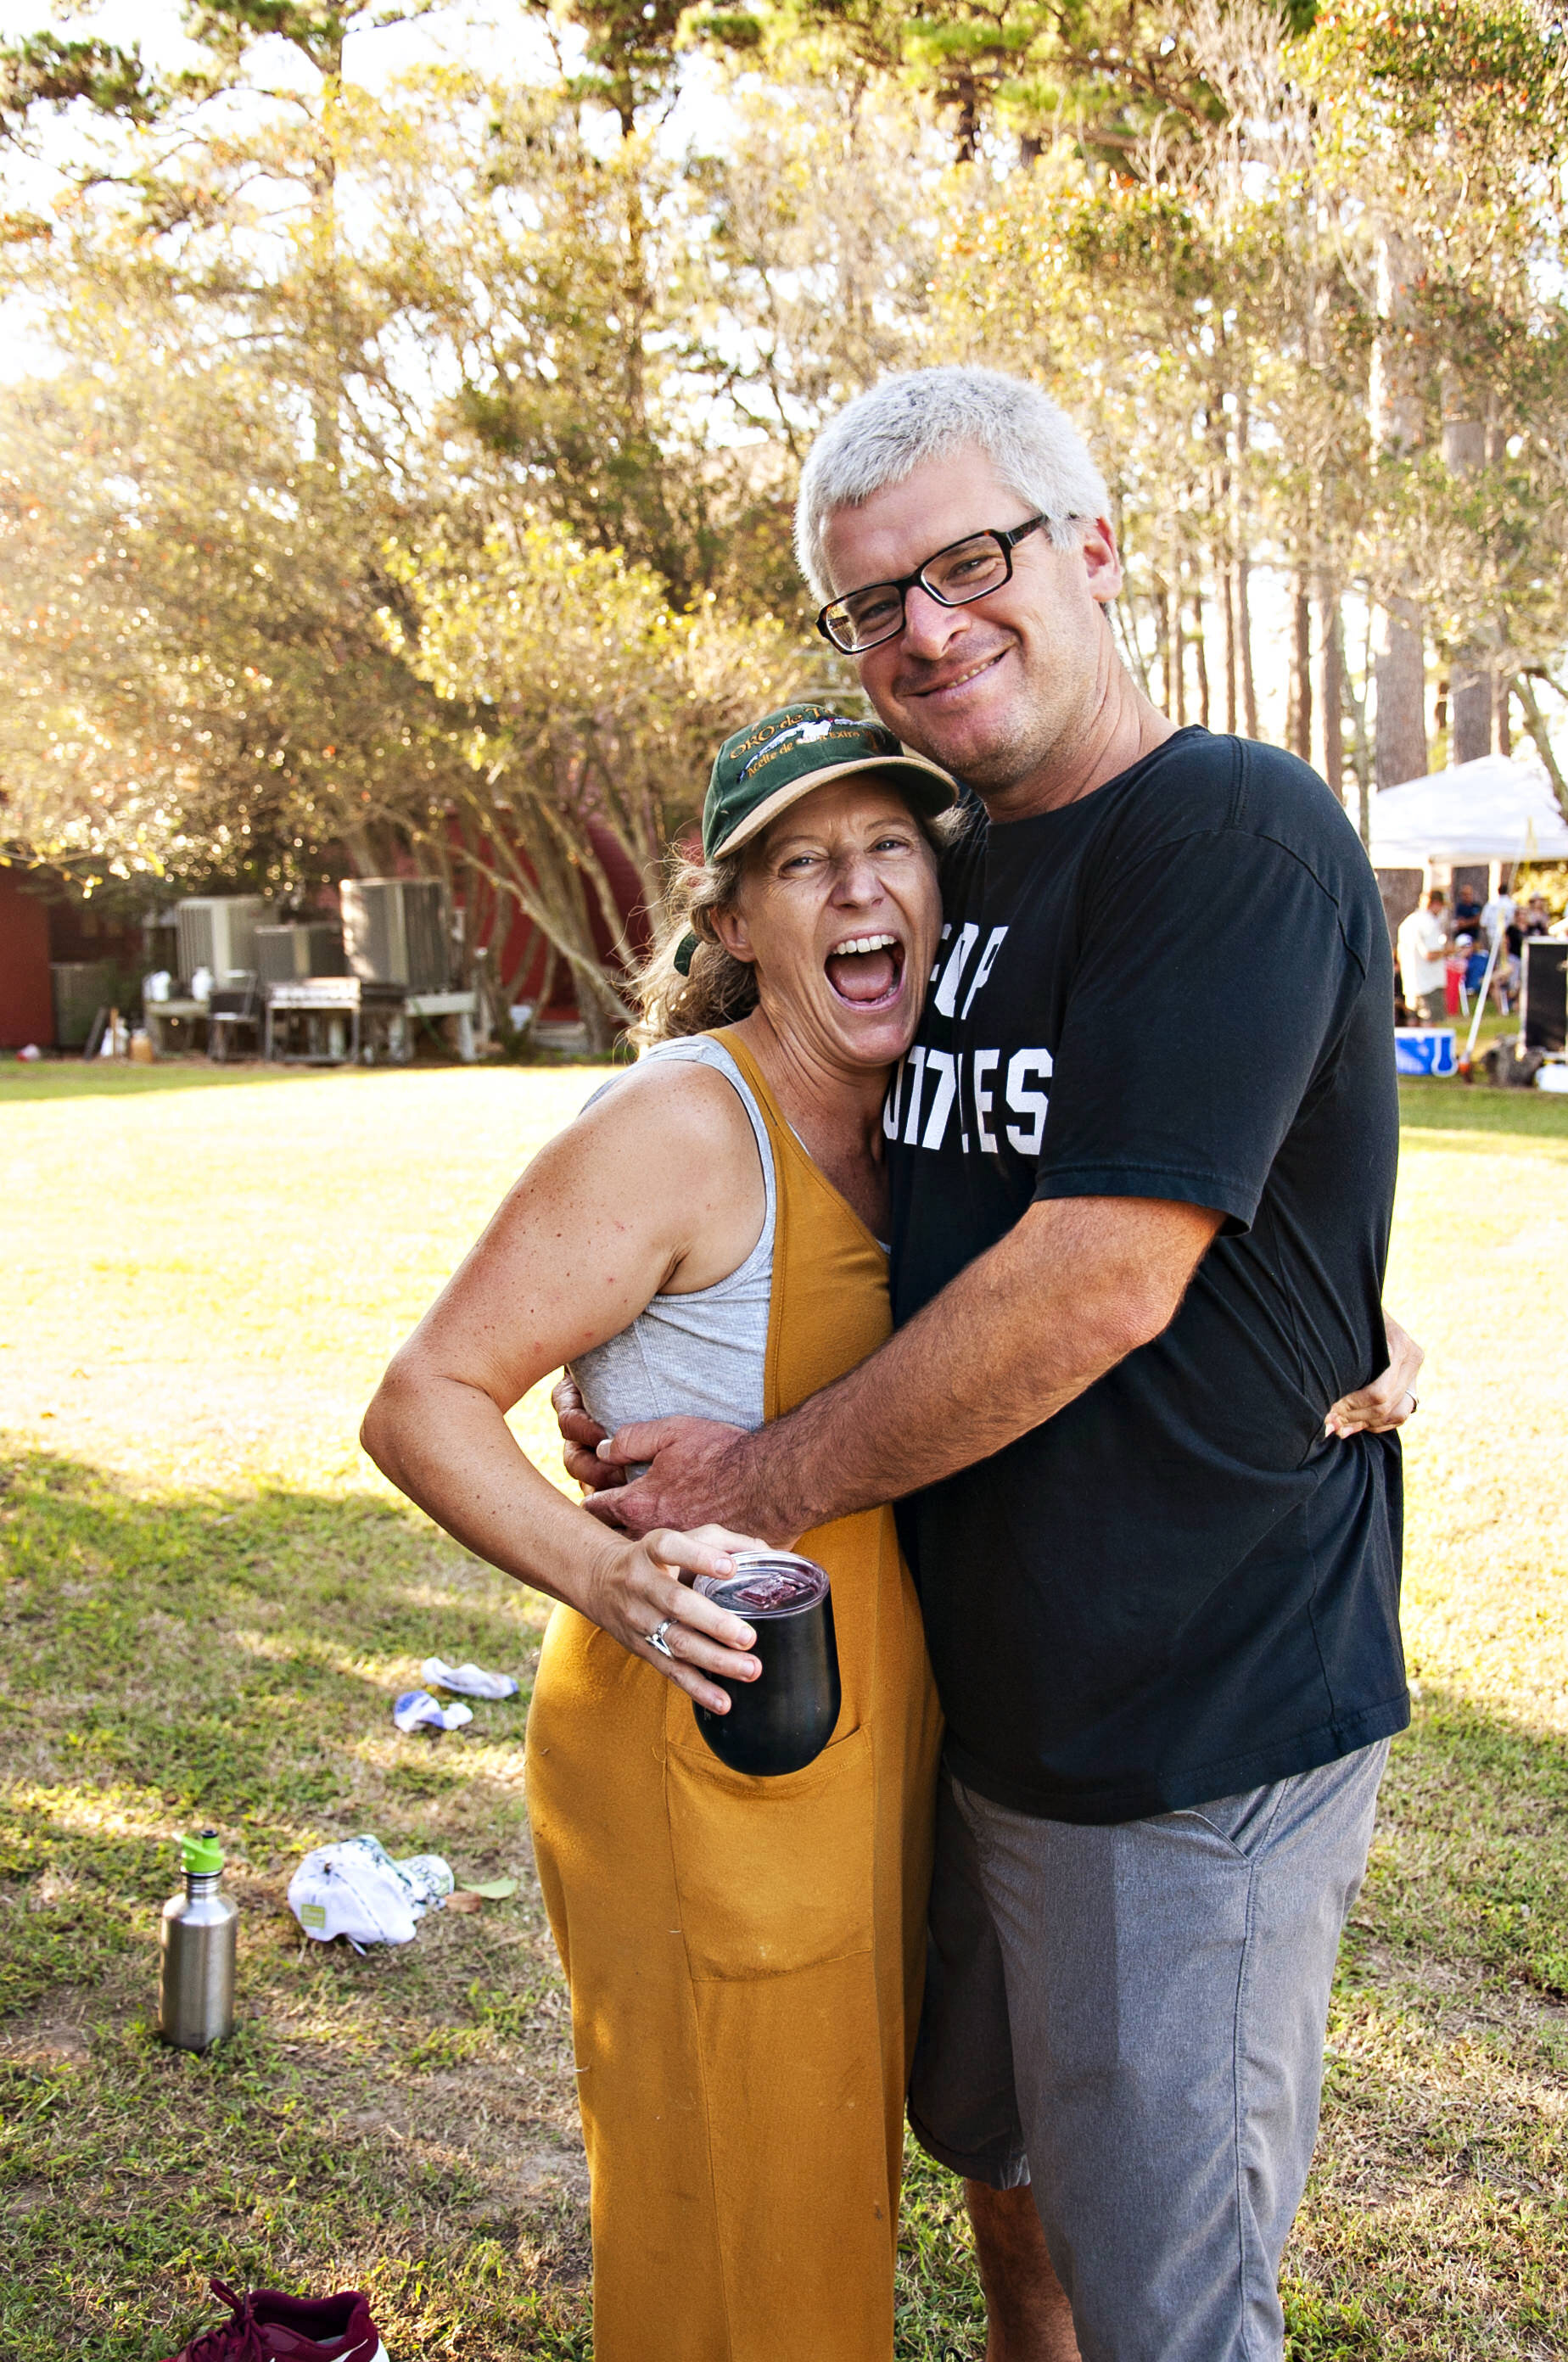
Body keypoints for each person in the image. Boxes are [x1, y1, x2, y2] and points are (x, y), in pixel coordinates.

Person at [563, 366, 1423, 2362]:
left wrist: (750, 1480)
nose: (929, 625)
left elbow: (1095, 1277)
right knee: (1008, 2174)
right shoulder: (953, 872)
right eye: (876, 602)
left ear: (1096, 549)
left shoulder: (1229, 827)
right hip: (971, 1689)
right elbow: (894, 1187)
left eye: (972, 561)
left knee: (1171, 2296)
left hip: (1181, 1719)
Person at [361, 719, 958, 2362]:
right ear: (733, 922)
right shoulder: (689, 1127)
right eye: (804, 860)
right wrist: (609, 1575)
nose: (859, 886)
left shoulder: (934, 1108)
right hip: (703, 1740)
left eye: (891, 847)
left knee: (821, 2202)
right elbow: (423, 1400)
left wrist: (1367, 1326)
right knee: (732, 2233)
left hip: (864, 1731)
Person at [1397, 887, 1450, 1023]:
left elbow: (1400, 953)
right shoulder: (1430, 924)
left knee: (1413, 1021)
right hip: (1429, 982)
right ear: (1436, 904)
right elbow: (1430, 954)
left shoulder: (1408, 922)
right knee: (1429, 1022)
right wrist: (1450, 950)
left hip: (1410, 981)